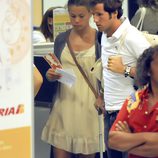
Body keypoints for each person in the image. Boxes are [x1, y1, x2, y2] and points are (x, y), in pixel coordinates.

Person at [41, 0, 103, 158]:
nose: (76, 20)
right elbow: (57, 69)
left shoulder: (100, 39)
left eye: (81, 16)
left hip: (90, 107)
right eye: (72, 15)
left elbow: (107, 74)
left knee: (87, 153)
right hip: (64, 105)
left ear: (90, 13)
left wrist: (103, 96)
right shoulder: (62, 39)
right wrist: (51, 75)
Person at [89, 0, 151, 158]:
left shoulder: (132, 37)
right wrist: (102, 96)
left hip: (130, 114)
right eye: (93, 14)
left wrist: (125, 69)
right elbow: (107, 73)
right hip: (109, 113)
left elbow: (154, 72)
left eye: (99, 15)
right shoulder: (103, 35)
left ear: (114, 13)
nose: (95, 20)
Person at [108, 45, 158, 158]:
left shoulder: (132, 36)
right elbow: (112, 140)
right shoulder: (134, 100)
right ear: (148, 70)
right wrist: (149, 140)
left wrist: (130, 138)